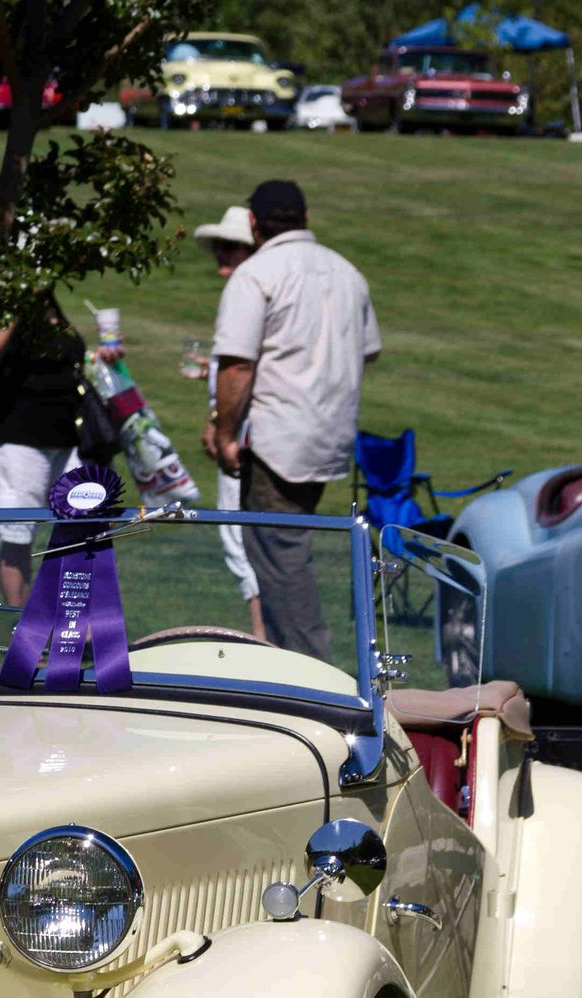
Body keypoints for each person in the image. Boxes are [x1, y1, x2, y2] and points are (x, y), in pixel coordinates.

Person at [211, 179, 380, 661]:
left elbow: (238, 365)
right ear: (305, 219)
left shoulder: (256, 274)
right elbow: (367, 352)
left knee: (280, 561)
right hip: (330, 437)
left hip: (278, 439)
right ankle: (296, 664)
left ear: (252, 223)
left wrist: (225, 434)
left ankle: (310, 671)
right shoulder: (348, 272)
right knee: (287, 554)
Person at [0, 297, 85, 604]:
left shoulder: (50, 300)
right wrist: (16, 303)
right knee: (18, 536)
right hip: (17, 437)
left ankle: (70, 628)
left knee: (80, 534)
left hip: (67, 438)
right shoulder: (4, 298)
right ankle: (22, 636)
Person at [193, 203, 263, 638]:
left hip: (247, 440)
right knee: (240, 539)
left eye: (232, 246)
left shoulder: (251, 294)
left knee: (244, 540)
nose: (222, 252)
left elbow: (247, 371)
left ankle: (264, 640)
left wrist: (224, 428)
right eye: (220, 245)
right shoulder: (244, 294)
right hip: (238, 430)